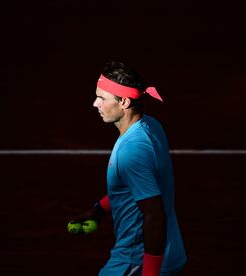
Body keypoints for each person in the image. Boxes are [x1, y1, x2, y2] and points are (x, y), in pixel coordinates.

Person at [70, 61, 186, 275]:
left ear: (123, 102)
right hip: (168, 251)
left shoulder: (131, 151)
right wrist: (99, 209)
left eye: (102, 98)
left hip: (136, 262)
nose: (95, 104)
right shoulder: (151, 126)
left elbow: (154, 216)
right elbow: (137, 185)